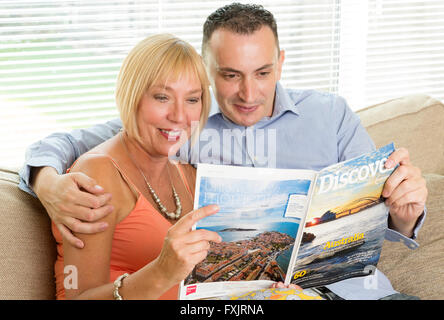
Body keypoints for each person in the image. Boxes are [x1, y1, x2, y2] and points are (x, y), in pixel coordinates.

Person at [19, 3, 427, 300]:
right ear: (208, 71)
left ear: (280, 64)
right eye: (231, 76)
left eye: (263, 73)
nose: (249, 94)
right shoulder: (182, 128)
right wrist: (47, 179)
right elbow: (75, 143)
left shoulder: (331, 114)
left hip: (357, 293)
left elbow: (384, 217)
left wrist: (405, 215)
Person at [43, 33, 226, 299]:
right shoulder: (98, 174)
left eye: (192, 99)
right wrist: (161, 272)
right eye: (162, 97)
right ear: (132, 96)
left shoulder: (187, 174)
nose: (179, 116)